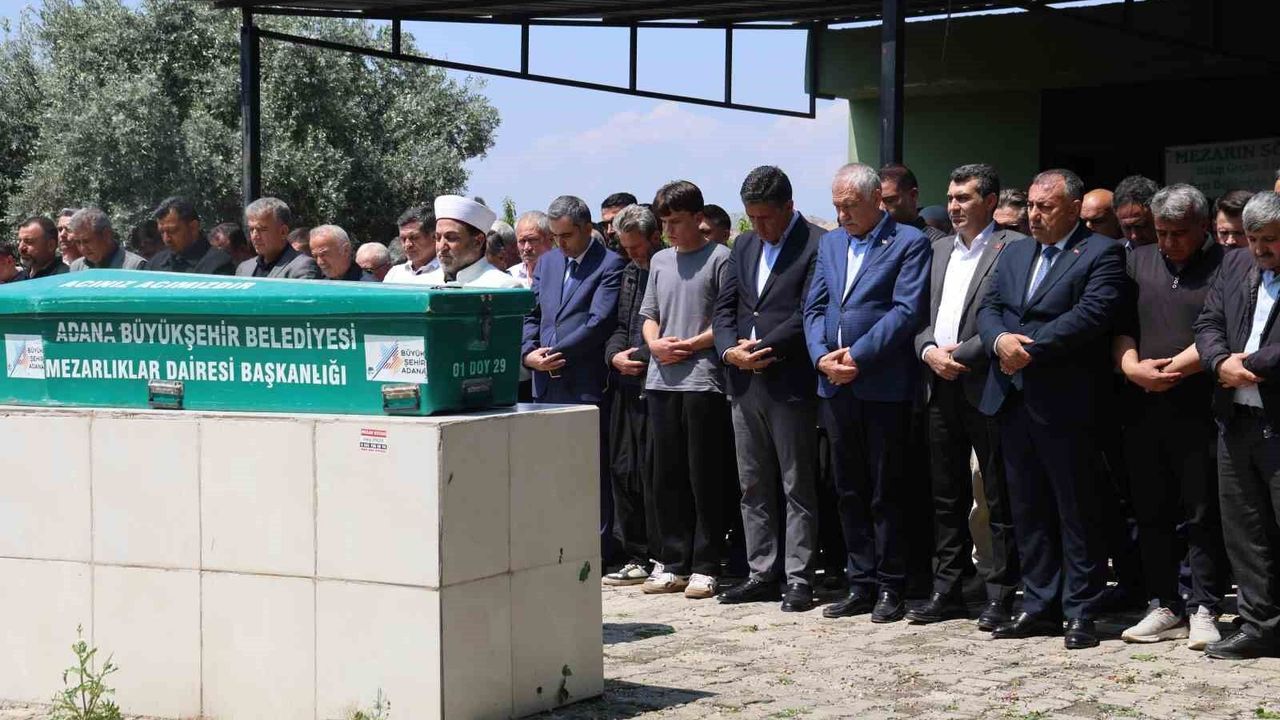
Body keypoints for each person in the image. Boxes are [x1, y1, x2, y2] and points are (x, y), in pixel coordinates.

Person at [977, 168, 1127, 650]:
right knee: (1027, 506)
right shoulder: (1016, 251)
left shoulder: (1101, 253)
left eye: (1045, 207)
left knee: (1076, 508)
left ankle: (1080, 610)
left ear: (1074, 209)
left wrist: (1029, 348)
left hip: (1066, 400)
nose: (1034, 215)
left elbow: (1091, 315)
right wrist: (999, 341)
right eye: (1031, 206)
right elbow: (989, 307)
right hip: (1013, 395)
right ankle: (1039, 604)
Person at [803, 163, 931, 622]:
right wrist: (821, 357)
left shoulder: (908, 242)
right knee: (848, 488)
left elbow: (906, 310)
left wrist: (857, 356)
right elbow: (814, 307)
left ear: (877, 200)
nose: (841, 216)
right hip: (834, 385)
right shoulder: (831, 244)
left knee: (885, 489)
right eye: (836, 207)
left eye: (850, 207)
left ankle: (891, 584)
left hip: (881, 385)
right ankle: (860, 582)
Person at [1113, 184, 1228, 650]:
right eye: (1161, 232)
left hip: (1201, 405)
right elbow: (1120, 325)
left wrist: (1173, 369)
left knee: (1201, 511)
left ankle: (1204, 605)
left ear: (1203, 226)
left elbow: (1224, 328)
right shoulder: (1137, 260)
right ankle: (1164, 603)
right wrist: (1131, 367)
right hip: (1143, 404)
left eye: (1178, 233)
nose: (1167, 242)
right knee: (1152, 509)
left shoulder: (1228, 263)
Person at [910, 164, 1024, 630]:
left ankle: (1000, 593)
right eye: (951, 197)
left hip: (987, 383)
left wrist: (966, 352)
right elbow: (920, 315)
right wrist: (928, 351)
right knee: (946, 494)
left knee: (997, 494)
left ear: (991, 202)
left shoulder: (1014, 247)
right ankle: (948, 589)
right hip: (939, 384)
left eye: (965, 198)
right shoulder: (939, 249)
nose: (954, 206)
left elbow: (1013, 316)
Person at [712, 166, 824, 612]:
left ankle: (799, 577)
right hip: (743, 382)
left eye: (766, 218)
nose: (758, 226)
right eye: (752, 217)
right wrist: (729, 352)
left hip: (788, 380)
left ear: (789, 207)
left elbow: (808, 311)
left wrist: (763, 348)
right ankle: (762, 571)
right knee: (752, 483)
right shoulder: (742, 245)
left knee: (797, 484)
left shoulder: (817, 244)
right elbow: (725, 309)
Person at [1194, 191, 1280, 660]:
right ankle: (1259, 624)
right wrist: (1218, 363)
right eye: (1253, 238)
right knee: (1245, 529)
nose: (1260, 249)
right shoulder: (1234, 264)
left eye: (1271, 240)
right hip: (1236, 418)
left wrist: (1251, 364)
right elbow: (1208, 322)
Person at [638, 180, 733, 600]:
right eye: (664, 223)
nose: (669, 231)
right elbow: (649, 314)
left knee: (704, 475)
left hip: (702, 381)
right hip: (661, 379)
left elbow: (726, 320)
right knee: (667, 475)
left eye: (676, 222)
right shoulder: (659, 260)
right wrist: (655, 344)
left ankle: (706, 564)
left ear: (698, 218)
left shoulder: (721, 259)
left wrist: (692, 345)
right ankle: (672, 562)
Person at [522, 195, 626, 564]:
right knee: (551, 470)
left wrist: (554, 353)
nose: (560, 243)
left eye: (566, 236)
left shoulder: (610, 265)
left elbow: (598, 323)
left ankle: (596, 550)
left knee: (589, 470)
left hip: (583, 383)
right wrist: (528, 353)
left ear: (585, 229)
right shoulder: (548, 262)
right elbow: (532, 314)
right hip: (544, 384)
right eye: (555, 236)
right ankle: (556, 545)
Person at [601, 204, 665, 587]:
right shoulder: (628, 272)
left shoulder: (667, 268)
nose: (632, 254)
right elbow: (619, 325)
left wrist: (638, 357)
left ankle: (663, 554)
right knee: (623, 469)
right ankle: (636, 553)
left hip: (656, 383)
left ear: (655, 237)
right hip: (624, 384)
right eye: (625, 248)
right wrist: (614, 356)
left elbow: (667, 328)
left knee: (655, 473)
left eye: (636, 246)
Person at [413, 196, 521, 288]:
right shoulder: (422, 283)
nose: (441, 246)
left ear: (478, 242)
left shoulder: (503, 286)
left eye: (451, 237)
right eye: (437, 238)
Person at [234, 197, 320, 279]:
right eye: (251, 229)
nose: (254, 236)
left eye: (262, 229)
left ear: (283, 232)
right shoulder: (244, 268)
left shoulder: (302, 267)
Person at [147, 196, 235, 275]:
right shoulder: (155, 265)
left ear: (193, 227)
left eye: (172, 231)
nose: (166, 239)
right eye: (162, 232)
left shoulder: (219, 264)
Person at [879, 163, 946, 241]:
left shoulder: (936, 241)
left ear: (913, 195)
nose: (881, 208)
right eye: (876, 201)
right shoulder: (876, 239)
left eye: (889, 201)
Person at [67, 208, 148, 271]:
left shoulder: (135, 267)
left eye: (87, 241)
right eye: (78, 242)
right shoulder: (76, 268)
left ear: (106, 235)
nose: (82, 248)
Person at [384, 205, 440, 283]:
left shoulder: (447, 274)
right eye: (403, 239)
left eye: (414, 238)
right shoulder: (394, 274)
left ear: (434, 236)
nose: (407, 245)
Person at [510, 210, 554, 289]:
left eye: (532, 240)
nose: (526, 248)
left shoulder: (563, 275)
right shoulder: (510, 276)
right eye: (522, 241)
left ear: (550, 240)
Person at [1114, 175, 1160, 250]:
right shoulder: (1115, 251)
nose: (1134, 236)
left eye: (1140, 226)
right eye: (1127, 228)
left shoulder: (1175, 252)